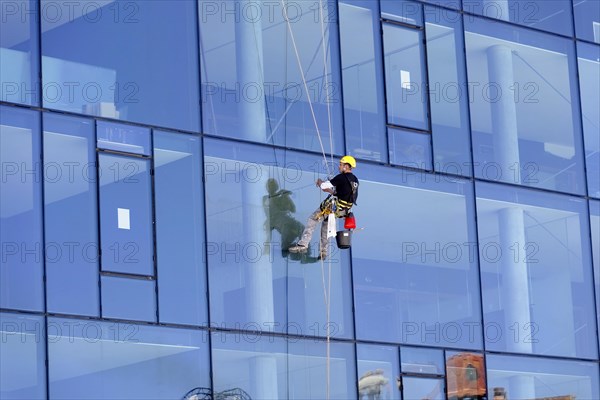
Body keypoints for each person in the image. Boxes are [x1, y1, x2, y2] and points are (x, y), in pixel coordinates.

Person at [288, 155, 359, 259]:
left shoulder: (342, 177)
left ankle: (303, 244)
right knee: (326, 226)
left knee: (312, 219)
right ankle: (323, 252)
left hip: (332, 207)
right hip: (342, 210)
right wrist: (330, 191)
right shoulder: (355, 180)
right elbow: (343, 193)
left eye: (341, 164)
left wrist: (320, 182)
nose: (339, 166)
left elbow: (323, 186)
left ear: (346, 166)